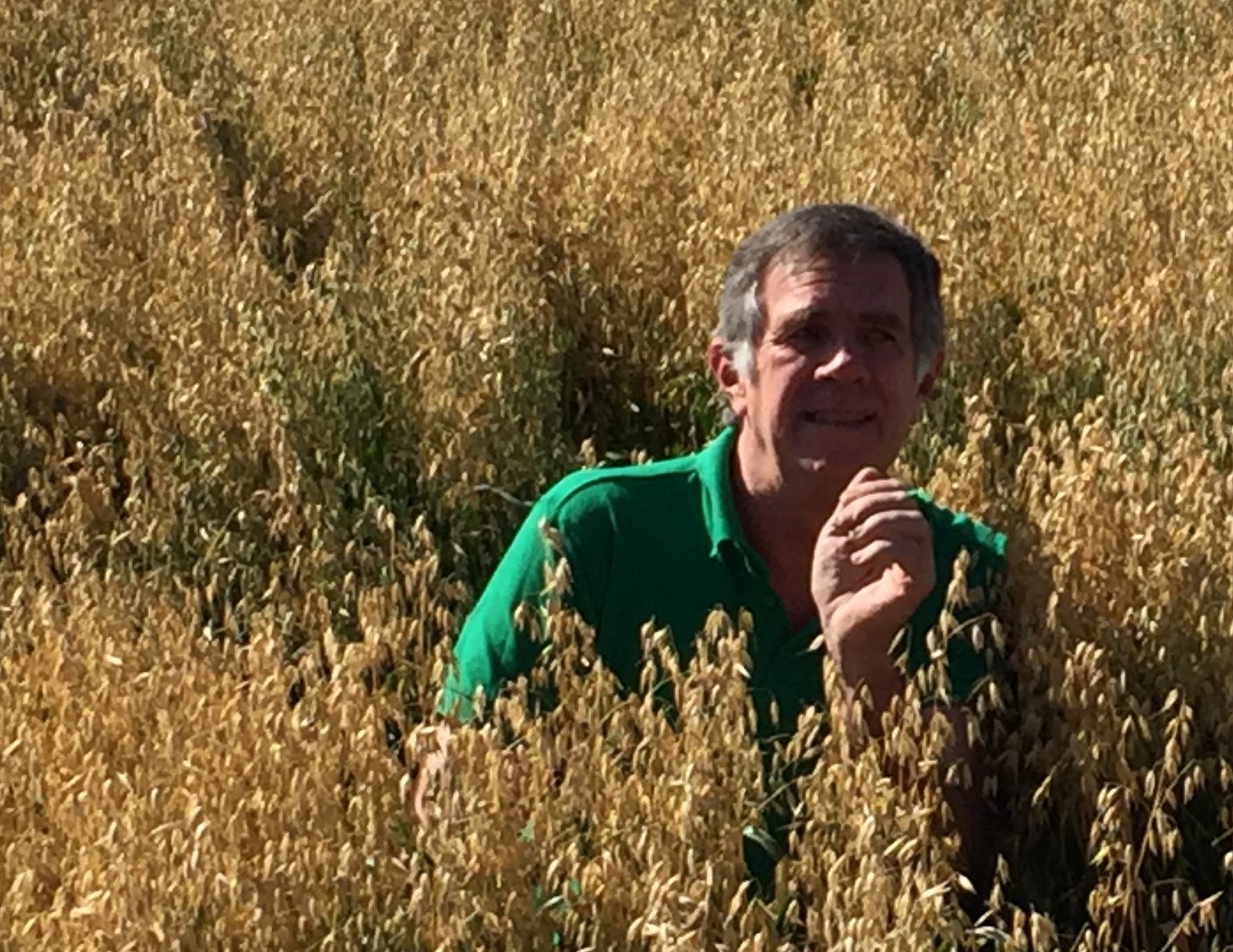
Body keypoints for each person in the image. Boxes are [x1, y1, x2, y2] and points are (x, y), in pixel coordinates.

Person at [420, 203, 1005, 862]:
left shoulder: (968, 571)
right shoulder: (594, 530)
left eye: (880, 337)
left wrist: (867, 667)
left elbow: (961, 868)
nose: (844, 364)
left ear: (925, 377)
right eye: (806, 334)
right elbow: (451, 790)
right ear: (732, 374)